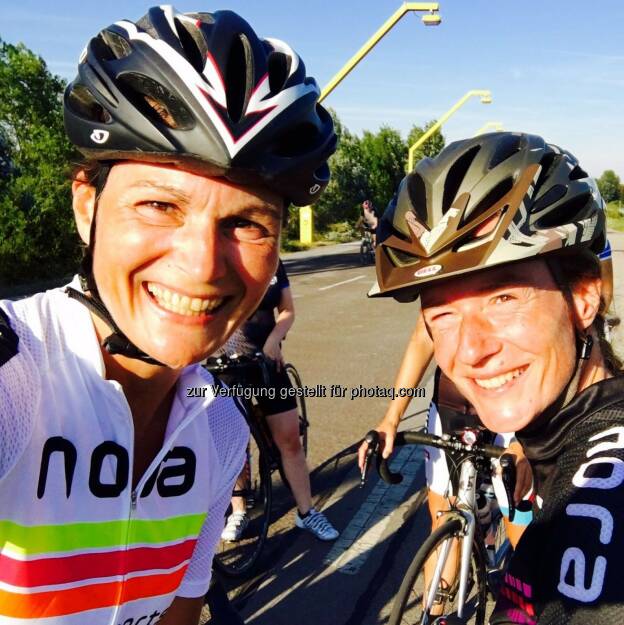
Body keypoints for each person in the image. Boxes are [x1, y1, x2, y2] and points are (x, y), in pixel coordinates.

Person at [0, 6, 336, 625]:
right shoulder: (12, 377)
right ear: (86, 207)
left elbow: (180, 611)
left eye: (247, 223)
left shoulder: (220, 428)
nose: (202, 266)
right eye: (159, 205)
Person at [368, 131, 623, 624]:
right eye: (442, 314)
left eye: (503, 298)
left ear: (584, 298)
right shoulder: (571, 445)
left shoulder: (601, 506)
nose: (469, 351)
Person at [218, 259, 339, 542]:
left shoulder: (271, 261)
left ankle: (307, 512)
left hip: (267, 362)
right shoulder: (217, 257)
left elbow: (287, 310)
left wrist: (273, 341)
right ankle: (239, 510)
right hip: (227, 365)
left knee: (289, 440)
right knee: (234, 444)